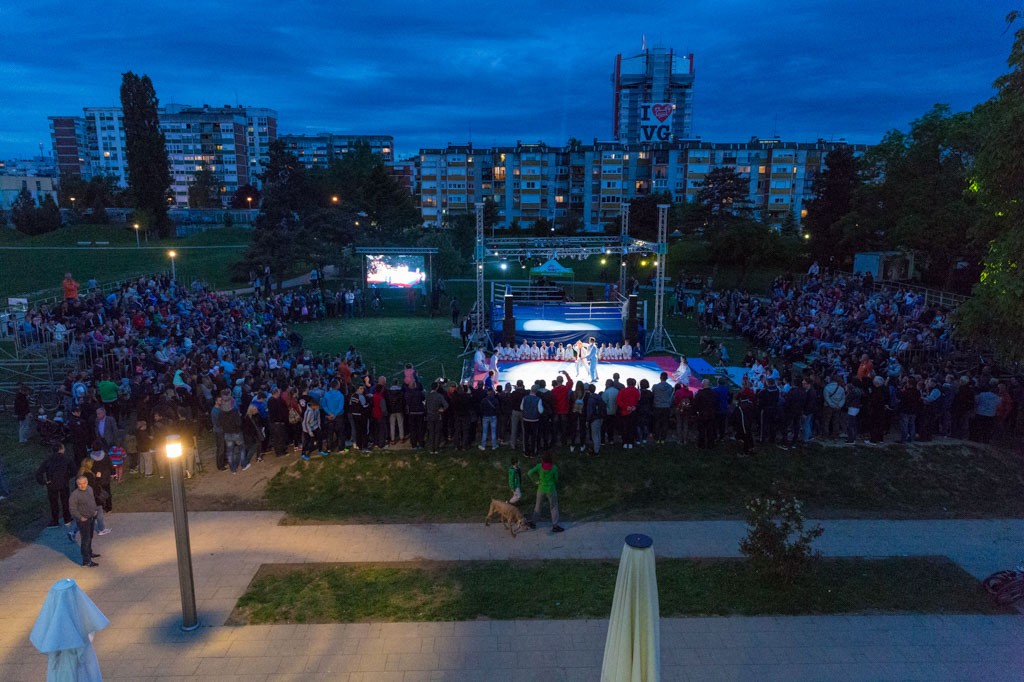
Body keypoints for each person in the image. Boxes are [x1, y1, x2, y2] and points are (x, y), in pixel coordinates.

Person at [37, 445, 75, 528]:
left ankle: (55, 521)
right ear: (61, 449)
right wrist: (67, 477)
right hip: (64, 483)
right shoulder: (66, 459)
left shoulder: (48, 460)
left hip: (51, 485)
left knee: (54, 503)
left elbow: (39, 473)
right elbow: (74, 471)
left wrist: (44, 482)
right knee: (65, 501)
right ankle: (67, 519)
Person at [69, 475, 100, 567]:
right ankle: (86, 561)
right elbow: (72, 509)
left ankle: (89, 553)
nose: (82, 485)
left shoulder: (89, 489)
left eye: (84, 483)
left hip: (91, 517)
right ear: (77, 484)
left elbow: (92, 500)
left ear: (87, 482)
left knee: (90, 537)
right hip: (83, 520)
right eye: (80, 484)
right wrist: (80, 517)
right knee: (85, 540)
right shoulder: (74, 495)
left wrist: (95, 511)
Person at [526, 454, 563, 533]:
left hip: (541, 489)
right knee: (553, 507)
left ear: (543, 460)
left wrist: (535, 480)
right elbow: (556, 479)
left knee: (538, 506)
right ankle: (555, 526)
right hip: (551, 489)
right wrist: (553, 482)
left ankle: (533, 523)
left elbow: (529, 473)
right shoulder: (554, 468)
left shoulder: (539, 466)